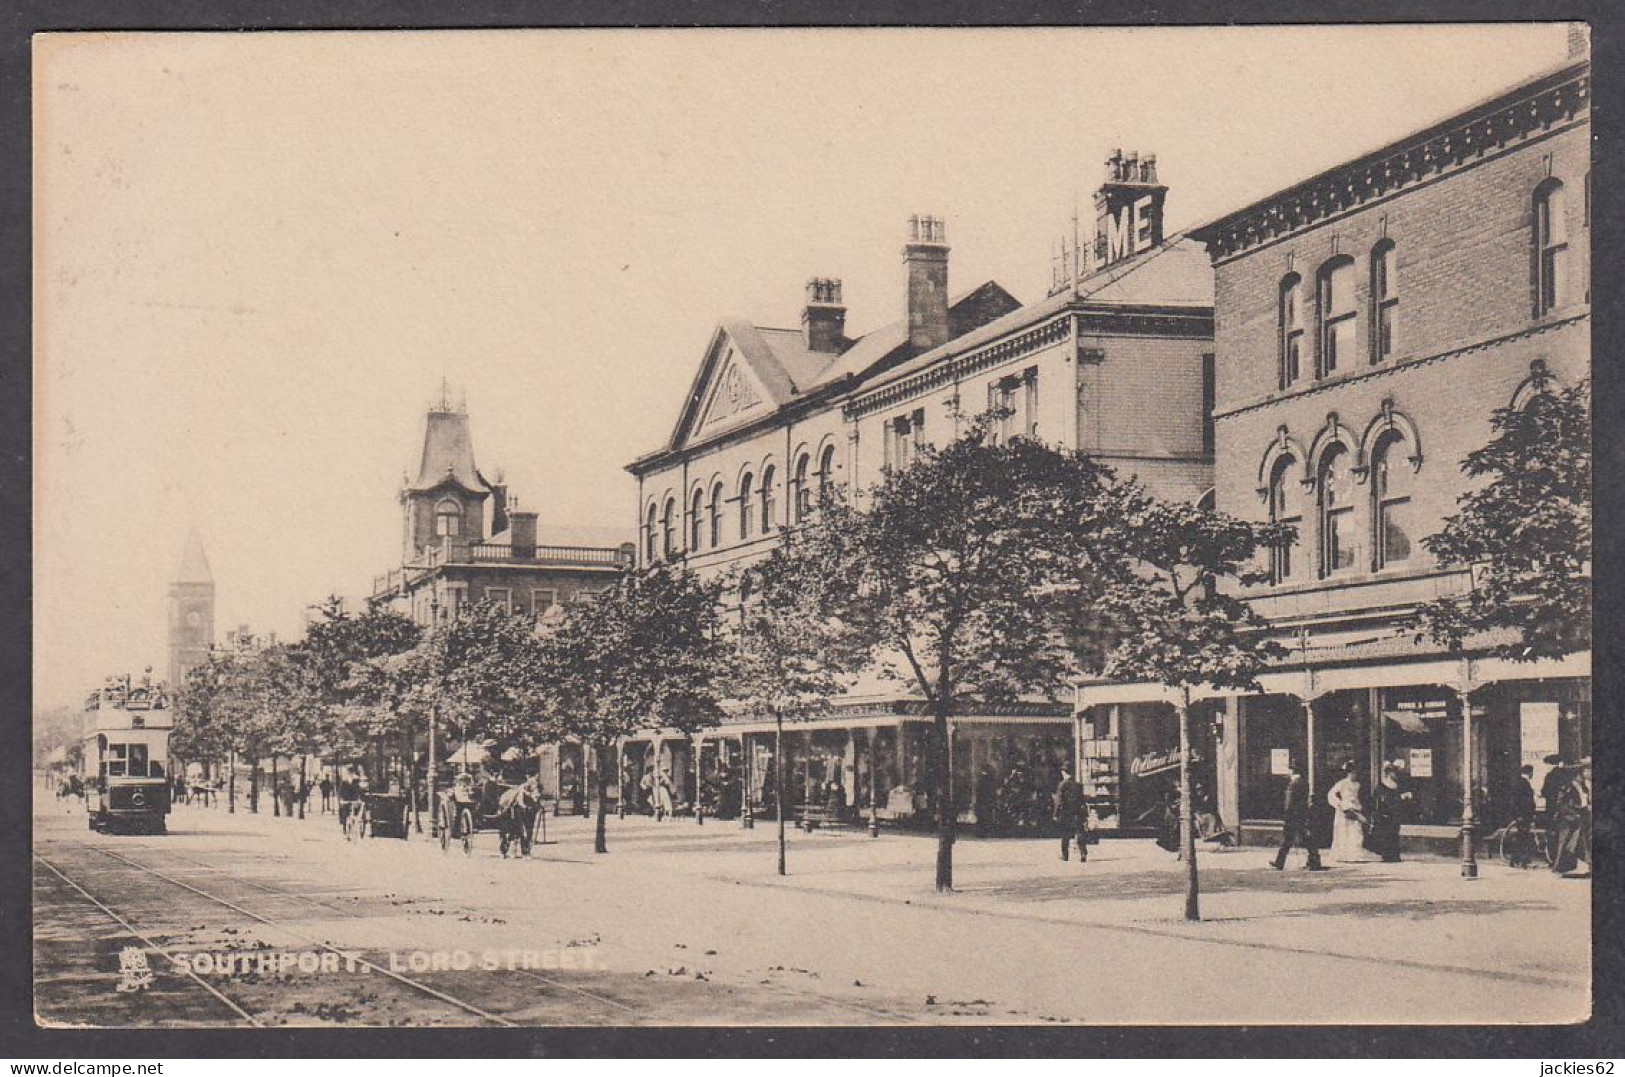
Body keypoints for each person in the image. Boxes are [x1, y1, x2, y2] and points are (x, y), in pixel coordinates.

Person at [1271, 761, 1326, 871]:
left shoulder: (1293, 784)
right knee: (1306, 839)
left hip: (1292, 816)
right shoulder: (1305, 783)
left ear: (1293, 771)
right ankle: (1314, 861)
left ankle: (1280, 862)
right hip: (1302, 814)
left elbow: (1289, 802)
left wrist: (1286, 814)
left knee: (1289, 839)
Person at [1325, 761, 1372, 863]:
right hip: (1344, 810)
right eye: (1352, 773)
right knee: (1343, 832)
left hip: (1354, 809)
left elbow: (1357, 798)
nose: (1354, 775)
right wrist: (1339, 804)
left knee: (1356, 832)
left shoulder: (1358, 785)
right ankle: (1343, 855)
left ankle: (1355, 855)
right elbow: (1331, 794)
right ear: (1348, 773)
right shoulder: (1342, 783)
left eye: (1356, 773)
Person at [1366, 762, 1412, 863]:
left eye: (1395, 772)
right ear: (1388, 773)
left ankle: (1394, 854)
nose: (1395, 775)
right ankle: (1387, 854)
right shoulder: (1382, 786)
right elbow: (1382, 800)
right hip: (1385, 814)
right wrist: (1400, 797)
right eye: (1392, 773)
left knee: (1394, 833)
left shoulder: (1396, 785)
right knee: (1386, 834)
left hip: (1394, 813)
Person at [1506, 764, 1539, 868]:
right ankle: (1520, 860)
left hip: (1523, 815)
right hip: (1523, 815)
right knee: (1522, 838)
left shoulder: (1521, 783)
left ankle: (1516, 860)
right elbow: (1517, 802)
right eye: (1532, 772)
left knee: (1522, 837)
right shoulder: (1523, 784)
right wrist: (1519, 815)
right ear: (1529, 773)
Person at [1053, 767, 1089, 863]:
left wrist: (1056, 814)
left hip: (1066, 813)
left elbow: (1059, 801)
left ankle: (1065, 855)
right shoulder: (1078, 785)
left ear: (1064, 773)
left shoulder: (1062, 785)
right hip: (1078, 812)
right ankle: (1083, 853)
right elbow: (1082, 800)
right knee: (1080, 833)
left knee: (1065, 834)